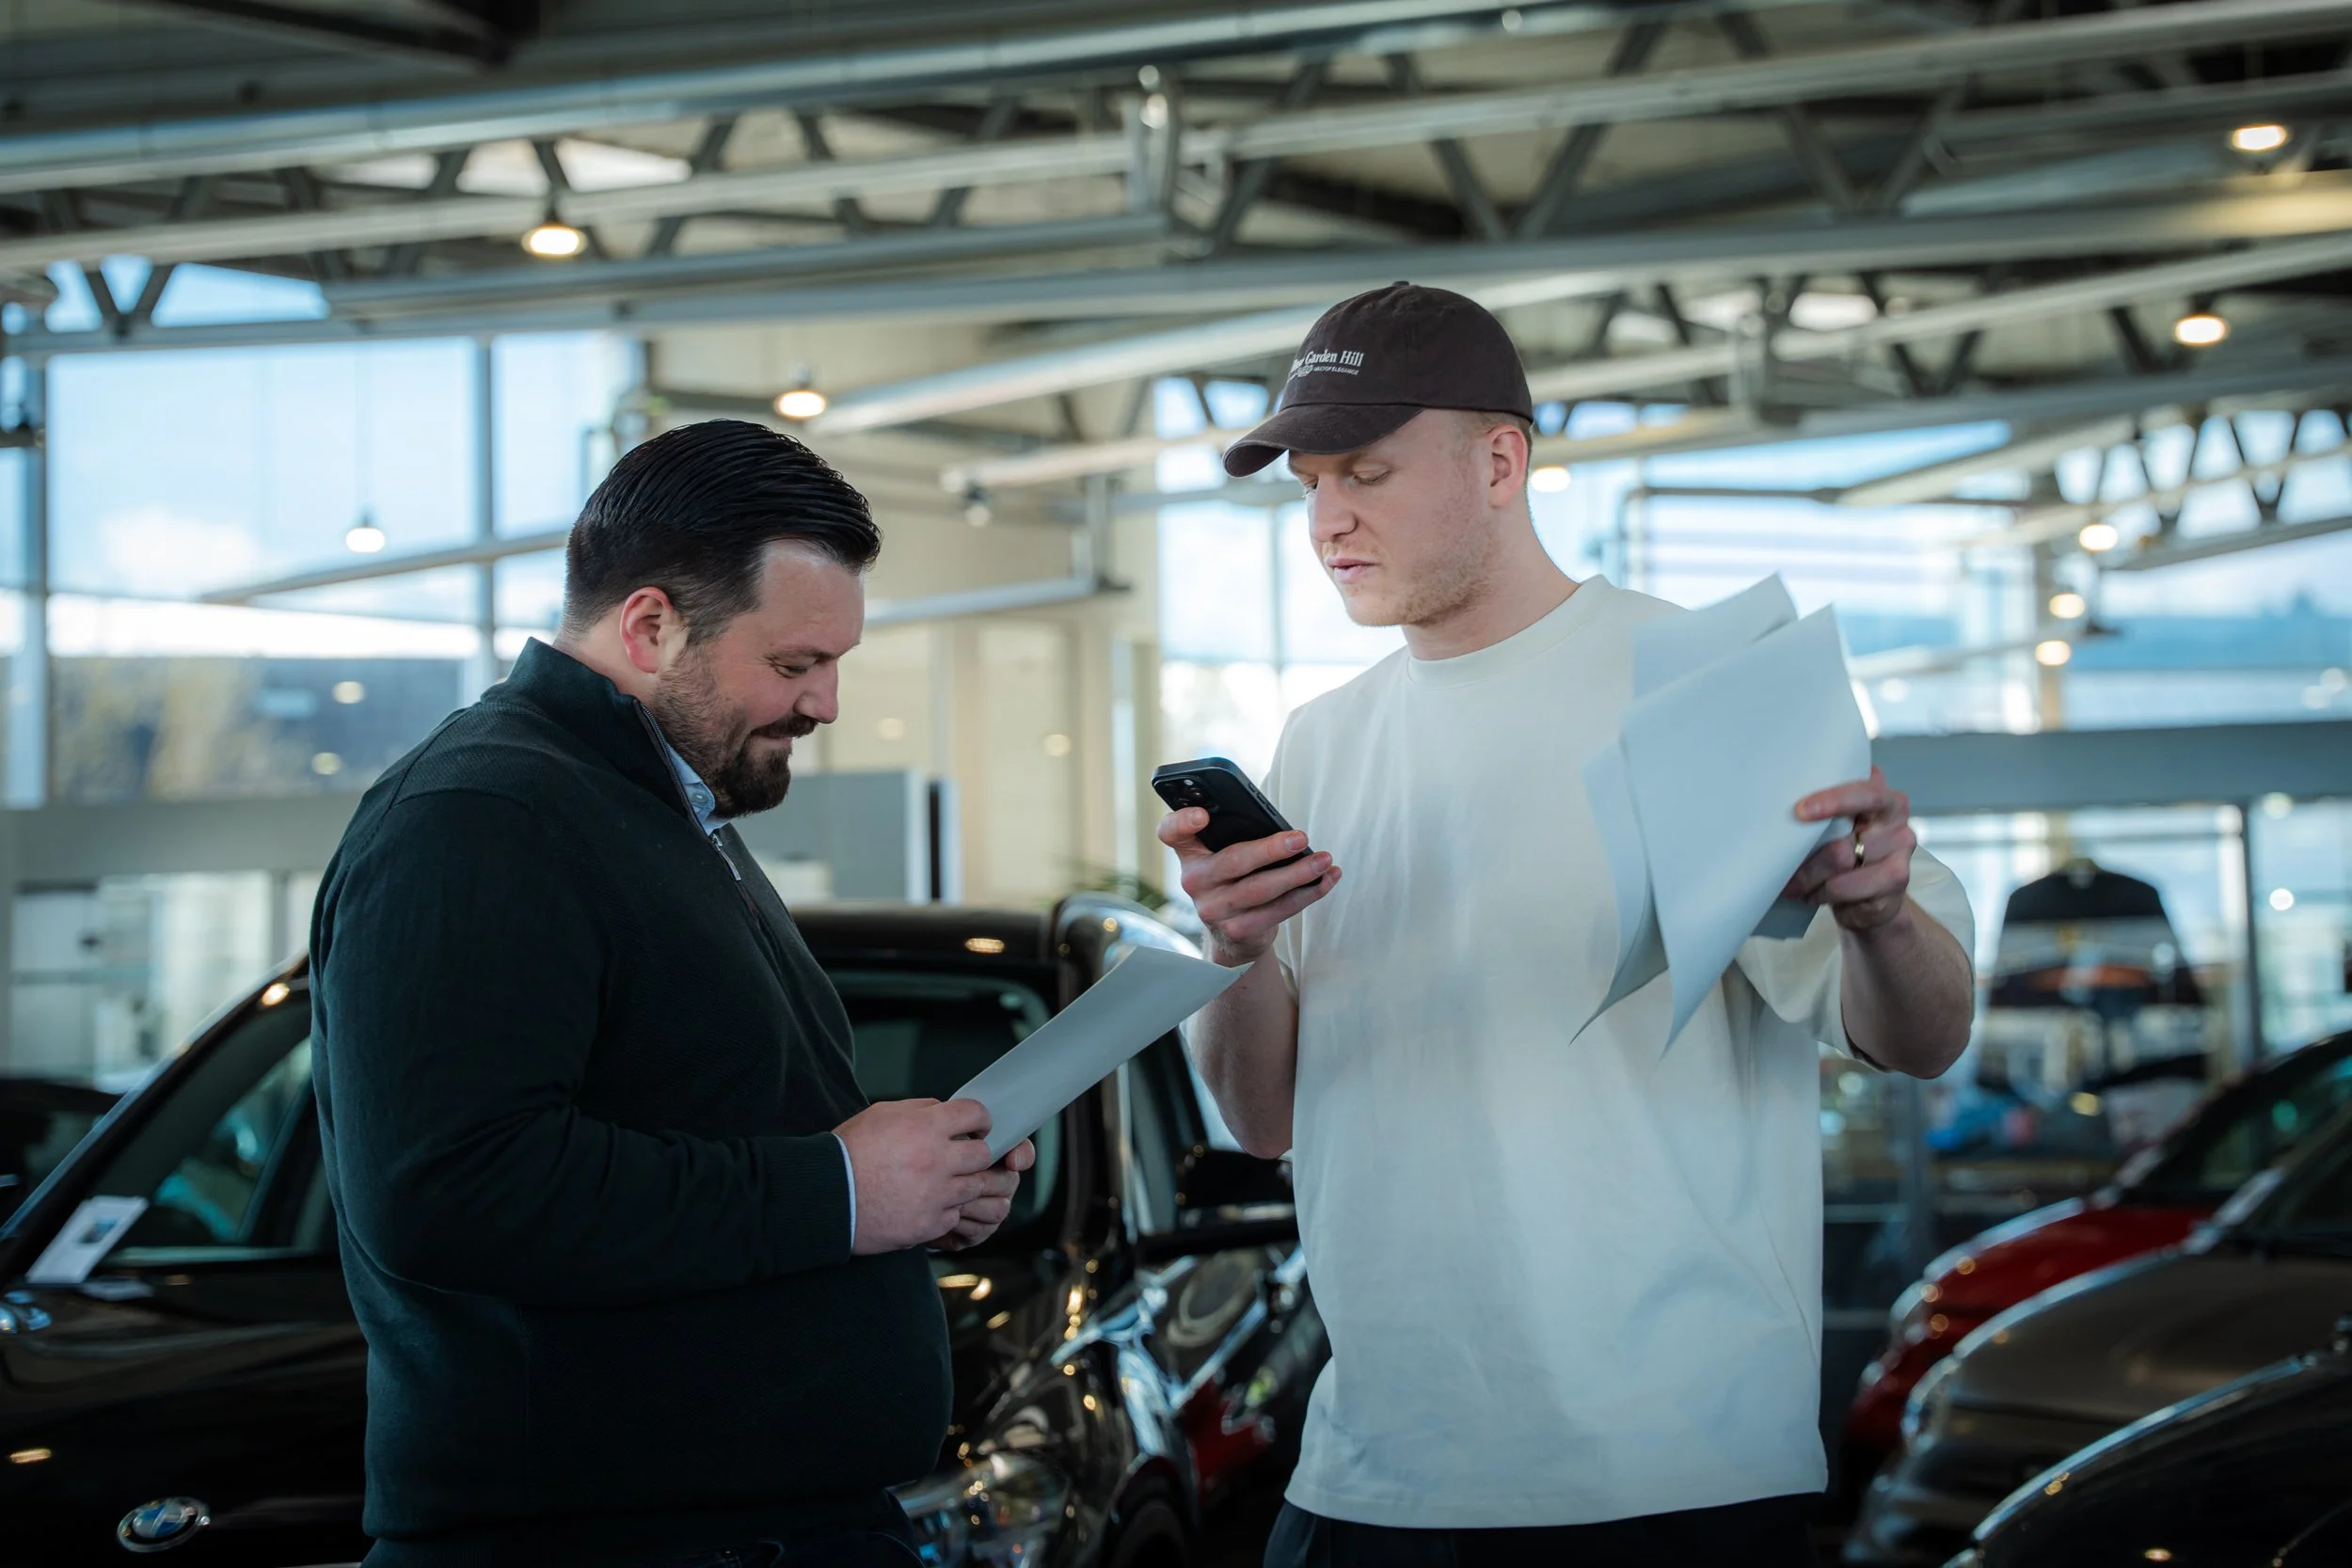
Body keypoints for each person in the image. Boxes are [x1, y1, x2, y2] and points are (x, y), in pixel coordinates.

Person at [1158, 284, 1978, 1568]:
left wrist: (1880, 921)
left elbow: (1924, 1037)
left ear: (1500, 462)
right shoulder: (1321, 741)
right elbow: (1263, 1117)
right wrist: (1232, 955)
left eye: (1365, 471)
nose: (1327, 522)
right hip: (1376, 1470)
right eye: (1309, 483)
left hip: (1667, 1467)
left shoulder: (1705, 685)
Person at [311, 420, 1033, 1568]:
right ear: (649, 626)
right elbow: (446, 1187)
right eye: (794, 664)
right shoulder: (482, 815)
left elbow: (712, 1120)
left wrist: (915, 1188)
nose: (826, 704)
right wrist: (839, 1189)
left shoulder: (658, 813)